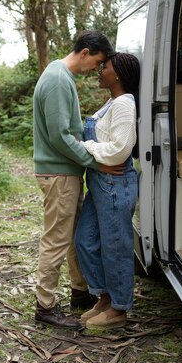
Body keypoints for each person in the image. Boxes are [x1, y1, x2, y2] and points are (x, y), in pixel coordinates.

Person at [32, 30, 123, 329]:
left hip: (64, 172)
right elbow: (60, 137)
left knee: (71, 237)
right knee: (56, 239)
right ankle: (45, 306)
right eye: (96, 61)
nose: (96, 69)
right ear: (85, 52)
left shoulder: (60, 76)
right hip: (59, 173)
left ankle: (79, 292)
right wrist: (95, 163)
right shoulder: (58, 79)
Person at [74, 52, 141, 330]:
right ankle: (104, 296)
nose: (100, 71)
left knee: (116, 247)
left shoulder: (124, 104)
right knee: (85, 240)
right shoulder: (111, 103)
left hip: (115, 183)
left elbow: (119, 151)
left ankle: (119, 308)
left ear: (119, 74)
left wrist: (86, 147)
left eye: (106, 67)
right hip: (100, 183)